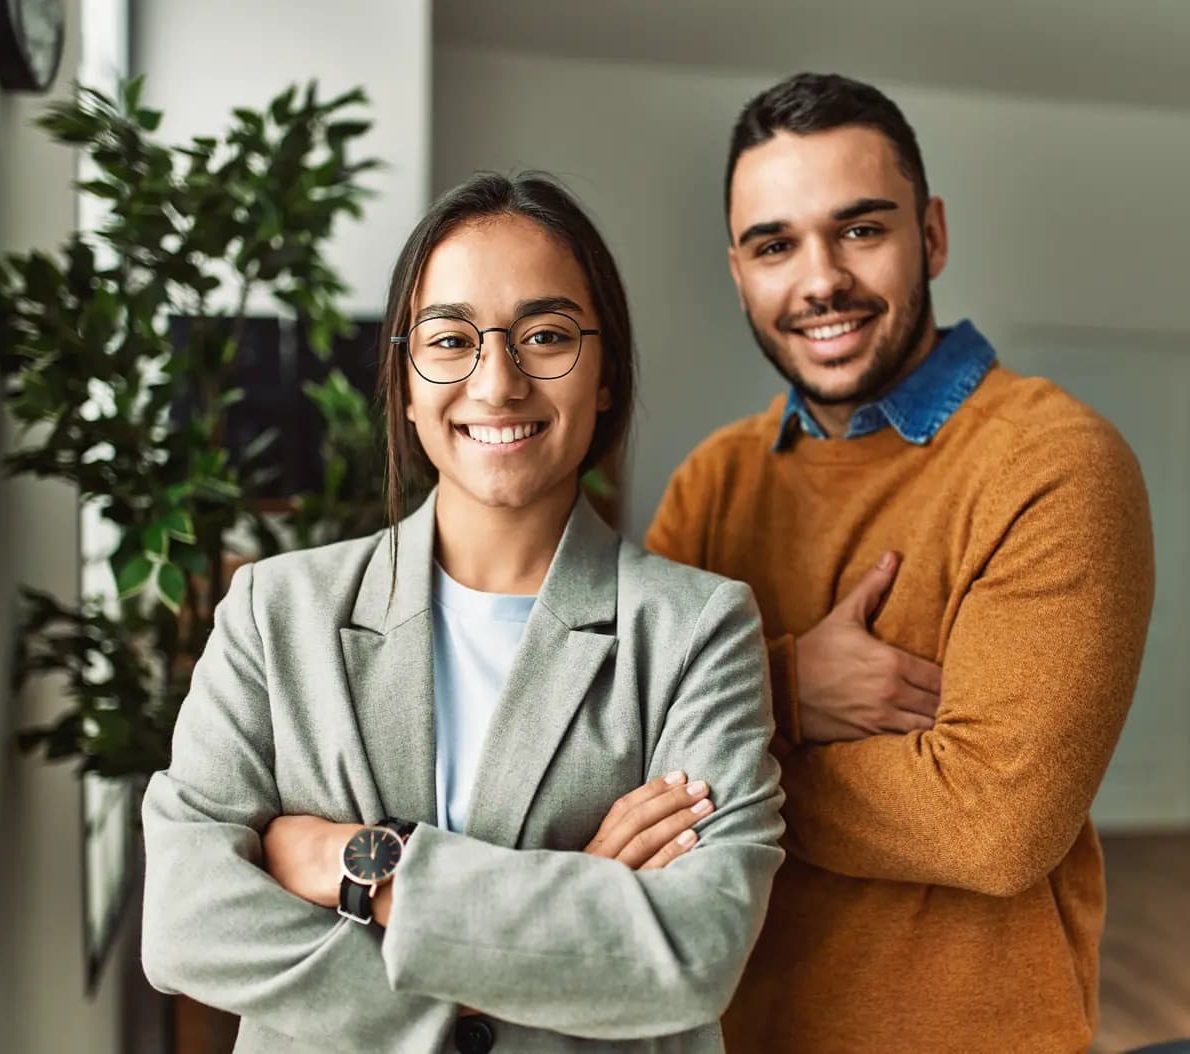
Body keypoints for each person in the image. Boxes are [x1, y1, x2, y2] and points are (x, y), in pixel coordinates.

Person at [140, 172, 786, 1053]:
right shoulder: (273, 612)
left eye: (547, 336)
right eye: (450, 339)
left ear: (606, 378)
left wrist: (365, 870)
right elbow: (187, 921)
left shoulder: (696, 629)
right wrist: (566, 905)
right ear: (406, 384)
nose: (497, 382)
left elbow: (693, 951)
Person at [645, 72, 1156, 1053]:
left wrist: (707, 757)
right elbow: (615, 754)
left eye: (860, 229)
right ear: (738, 271)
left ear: (931, 235)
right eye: (774, 244)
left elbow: (989, 823)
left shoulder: (1052, 463)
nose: (819, 278)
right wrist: (786, 689)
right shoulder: (712, 482)